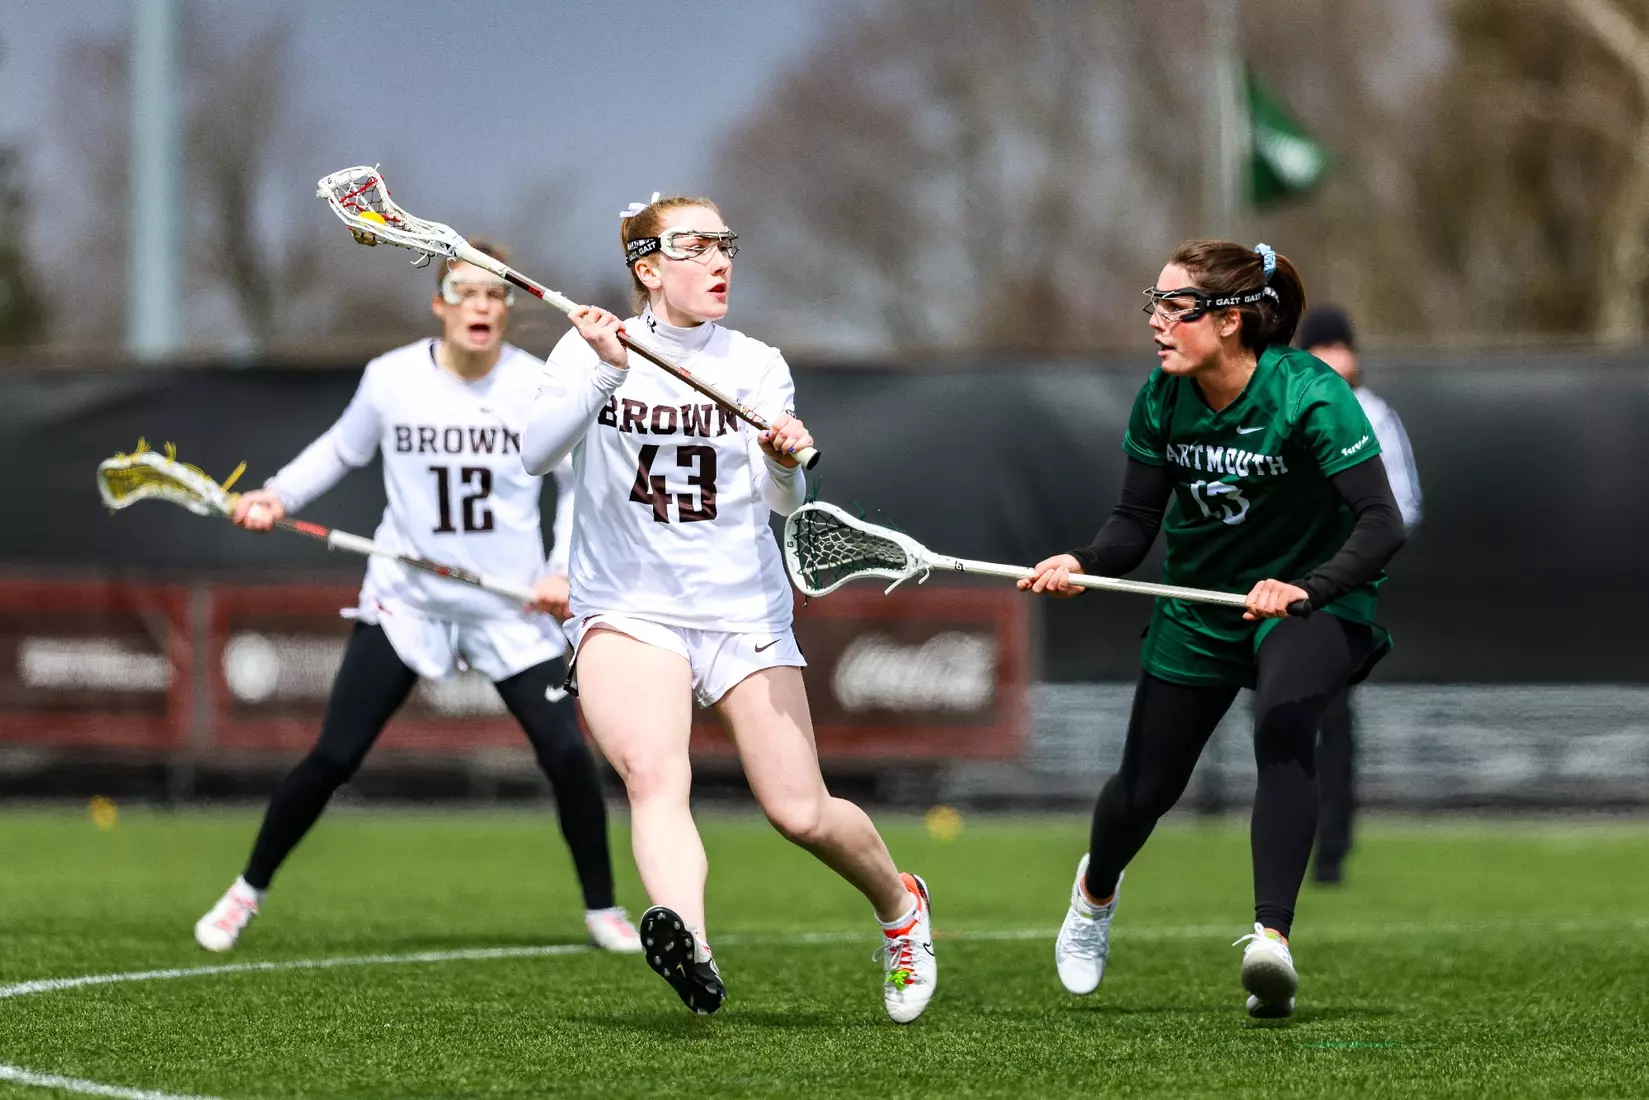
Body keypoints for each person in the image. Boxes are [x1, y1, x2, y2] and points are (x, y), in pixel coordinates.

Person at [521, 194, 935, 1022]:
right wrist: (605, 368)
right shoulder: (590, 345)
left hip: (741, 609)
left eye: (724, 244)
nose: (718, 261)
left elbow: (785, 503)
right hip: (627, 607)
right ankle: (692, 947)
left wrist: (783, 460)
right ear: (647, 268)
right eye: (695, 246)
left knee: (799, 812)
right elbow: (534, 453)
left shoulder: (755, 364)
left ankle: (901, 906)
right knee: (653, 775)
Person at [192, 242, 640, 956]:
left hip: (510, 607)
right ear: (439, 304)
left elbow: (574, 487)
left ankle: (603, 909)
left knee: (566, 754)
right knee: (335, 755)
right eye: (465, 292)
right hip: (406, 600)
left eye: (494, 294)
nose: (480, 306)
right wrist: (275, 496)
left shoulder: (538, 384)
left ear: (507, 309)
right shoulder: (391, 379)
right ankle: (245, 892)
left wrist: (560, 571)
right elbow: (340, 450)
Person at [1020, 240, 1406, 1019]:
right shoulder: (1161, 398)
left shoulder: (1309, 394)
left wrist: (1305, 587)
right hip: (1199, 607)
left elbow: (1380, 522)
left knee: (1283, 725)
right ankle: (1095, 893)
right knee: (1144, 791)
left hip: (1308, 601)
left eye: (1176, 306)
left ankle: (1271, 940)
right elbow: (1132, 524)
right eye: (1154, 304)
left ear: (1230, 319)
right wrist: (1082, 561)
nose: (1156, 321)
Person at [1296, 305, 1422, 885]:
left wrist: (1353, 554)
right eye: (1319, 349)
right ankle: (1290, 833)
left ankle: (1332, 844)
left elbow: (1402, 505)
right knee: (1279, 715)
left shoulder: (1373, 415)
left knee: (1333, 714)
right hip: (1278, 582)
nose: (1331, 360)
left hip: (1339, 588)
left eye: (1338, 348)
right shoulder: (1281, 412)